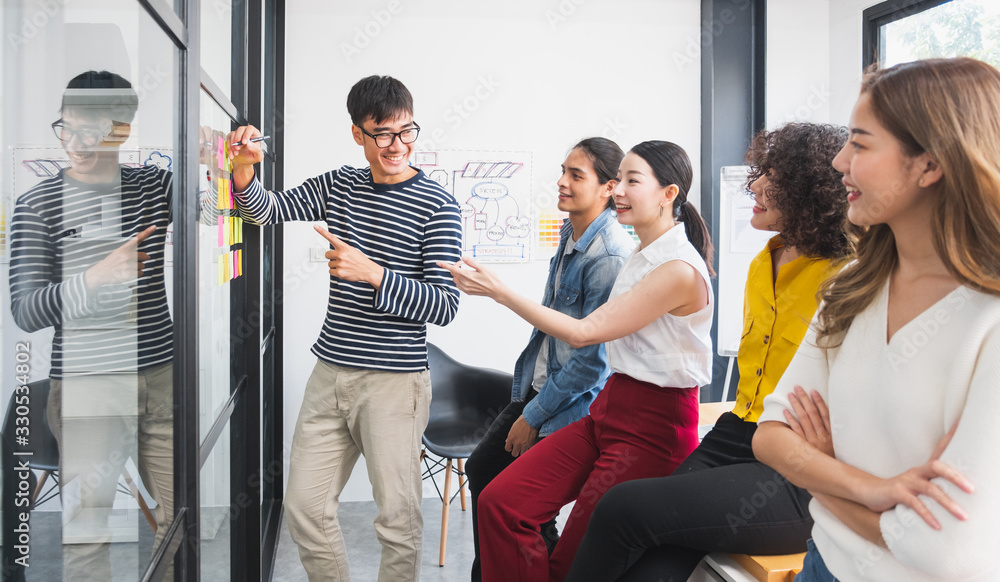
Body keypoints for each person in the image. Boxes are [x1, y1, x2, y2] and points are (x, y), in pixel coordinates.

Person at [563, 122, 856, 582]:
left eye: (771, 176)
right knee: (651, 566)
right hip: (736, 435)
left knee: (622, 507)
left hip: (797, 467)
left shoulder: (845, 276)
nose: (754, 184)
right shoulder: (766, 260)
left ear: (807, 189)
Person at [753, 57, 1000, 582]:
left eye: (861, 144)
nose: (840, 161)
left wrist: (822, 474)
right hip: (823, 564)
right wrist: (874, 489)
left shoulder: (989, 320)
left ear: (929, 165)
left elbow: (949, 554)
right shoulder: (851, 288)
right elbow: (771, 438)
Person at [441, 140, 715, 582]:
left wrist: (500, 291)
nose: (619, 191)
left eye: (632, 181)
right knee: (499, 502)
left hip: (652, 430)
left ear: (669, 194)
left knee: (572, 565)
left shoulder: (677, 268)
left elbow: (585, 334)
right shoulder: (639, 254)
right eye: (618, 179)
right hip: (609, 411)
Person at [227, 75, 462, 582]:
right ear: (358, 134)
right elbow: (267, 211)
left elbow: (445, 305)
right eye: (383, 133)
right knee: (305, 509)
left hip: (395, 384)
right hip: (330, 374)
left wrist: (373, 274)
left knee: (397, 521)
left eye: (407, 131)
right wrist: (244, 174)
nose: (397, 145)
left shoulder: (438, 205)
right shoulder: (340, 185)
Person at [8, 71, 174, 580]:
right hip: (85, 387)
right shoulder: (37, 204)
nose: (76, 144)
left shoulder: (154, 185)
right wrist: (97, 277)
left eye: (92, 131)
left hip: (162, 379)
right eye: (67, 128)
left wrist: (233, 161)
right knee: (87, 534)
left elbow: (218, 211)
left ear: (121, 130)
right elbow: (27, 310)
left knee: (176, 523)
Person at [465, 137, 635, 582]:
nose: (561, 182)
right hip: (541, 387)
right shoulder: (570, 233)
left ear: (608, 188)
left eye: (576, 175)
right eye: (563, 170)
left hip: (571, 404)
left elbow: (591, 363)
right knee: (485, 471)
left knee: (527, 513)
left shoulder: (610, 257)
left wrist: (534, 415)